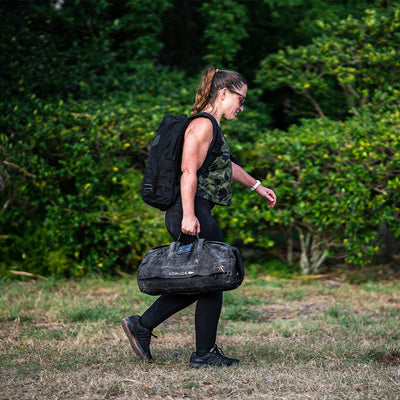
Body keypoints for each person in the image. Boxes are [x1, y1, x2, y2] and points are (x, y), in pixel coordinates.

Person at [121, 66, 277, 368]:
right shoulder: (203, 125)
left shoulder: (210, 127)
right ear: (223, 93)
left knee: (204, 281)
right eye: (240, 99)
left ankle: (143, 326)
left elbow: (225, 164)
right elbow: (188, 171)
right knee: (214, 278)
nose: (241, 107)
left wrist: (258, 186)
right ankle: (203, 353)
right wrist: (190, 215)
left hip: (194, 210)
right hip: (191, 210)